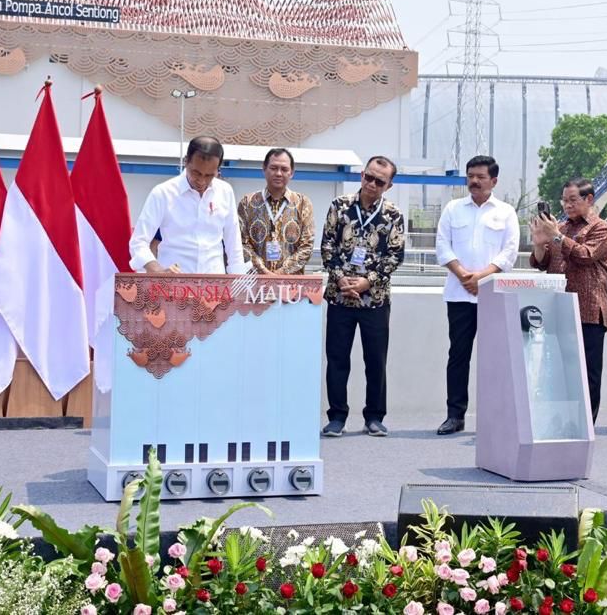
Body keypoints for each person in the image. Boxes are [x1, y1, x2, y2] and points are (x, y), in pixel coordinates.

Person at [319, 155, 406, 438]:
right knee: (337, 358)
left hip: (375, 300)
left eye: (379, 181)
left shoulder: (393, 215)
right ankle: (337, 417)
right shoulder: (339, 206)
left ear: (389, 185)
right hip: (340, 296)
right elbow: (327, 246)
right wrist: (341, 278)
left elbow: (395, 255)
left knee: (375, 360)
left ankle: (374, 416)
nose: (371, 184)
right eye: (367, 177)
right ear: (361, 175)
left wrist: (368, 282)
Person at [434, 155, 521, 435]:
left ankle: (494, 416)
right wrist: (463, 276)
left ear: (493, 181)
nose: (474, 181)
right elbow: (442, 247)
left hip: (493, 295)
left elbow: (509, 253)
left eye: (480, 176)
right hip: (459, 295)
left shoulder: (506, 212)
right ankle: (454, 415)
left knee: (494, 357)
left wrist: (480, 277)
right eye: (470, 175)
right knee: (458, 355)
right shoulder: (452, 209)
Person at [529, 178, 607, 423]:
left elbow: (585, 255)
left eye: (572, 200)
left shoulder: (601, 227)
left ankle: (585, 422)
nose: (567, 205)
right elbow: (542, 263)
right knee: (558, 368)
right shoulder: (561, 228)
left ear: (589, 199)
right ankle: (559, 420)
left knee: (587, 372)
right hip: (558, 308)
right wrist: (538, 244)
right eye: (564, 200)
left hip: (588, 309)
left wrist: (555, 236)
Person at [130, 136, 248, 275]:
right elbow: (139, 242)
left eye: (209, 175)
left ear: (218, 169)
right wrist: (158, 272)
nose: (201, 181)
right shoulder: (163, 193)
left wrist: (239, 285)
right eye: (196, 173)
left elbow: (233, 244)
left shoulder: (225, 191)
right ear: (186, 162)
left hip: (213, 287)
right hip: (173, 285)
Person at [237, 147, 315, 275]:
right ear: (264, 169)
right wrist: (263, 272)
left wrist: (281, 273)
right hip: (256, 283)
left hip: (291, 285)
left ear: (292, 173)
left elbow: (307, 247)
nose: (278, 173)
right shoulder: (247, 203)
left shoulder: (303, 203)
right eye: (273, 168)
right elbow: (242, 244)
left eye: (284, 169)